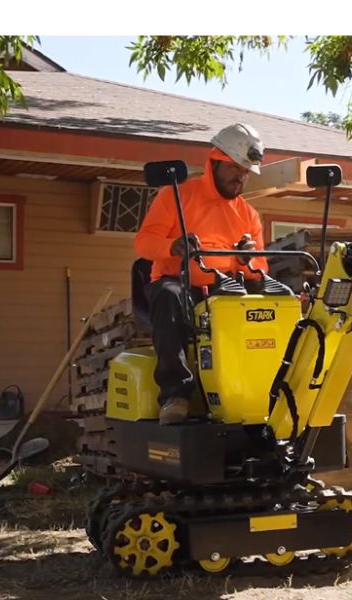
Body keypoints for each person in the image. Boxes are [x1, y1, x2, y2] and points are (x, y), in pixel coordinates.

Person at [134, 123, 270, 425]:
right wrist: (173, 246)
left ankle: (252, 391)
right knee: (169, 297)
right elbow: (143, 243)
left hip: (225, 288)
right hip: (177, 283)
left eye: (246, 171)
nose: (241, 177)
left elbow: (260, 266)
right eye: (235, 168)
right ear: (215, 161)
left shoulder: (248, 214)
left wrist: (248, 259)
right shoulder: (176, 196)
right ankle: (175, 395)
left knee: (263, 306)